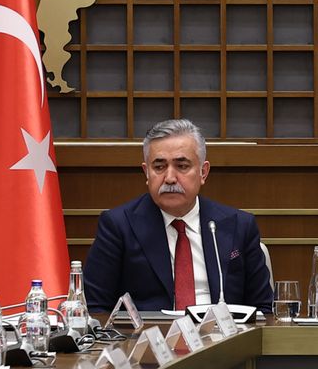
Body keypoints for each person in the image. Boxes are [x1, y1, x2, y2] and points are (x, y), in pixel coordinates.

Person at [83, 119, 274, 313]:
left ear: (203, 172)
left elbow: (264, 308)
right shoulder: (118, 226)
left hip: (224, 330)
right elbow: (95, 307)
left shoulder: (239, 225)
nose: (170, 178)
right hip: (150, 332)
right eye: (159, 167)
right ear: (147, 173)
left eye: (182, 166)